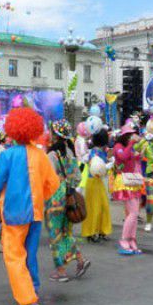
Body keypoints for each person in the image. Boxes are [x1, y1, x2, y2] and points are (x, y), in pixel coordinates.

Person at [0, 107, 60, 305]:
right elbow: (53, 184)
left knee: (14, 255)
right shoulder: (40, 155)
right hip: (35, 213)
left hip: (14, 212)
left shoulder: (7, 156)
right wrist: (40, 196)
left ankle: (27, 299)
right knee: (30, 254)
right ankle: (33, 289)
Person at [45, 120, 90, 281]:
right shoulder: (70, 152)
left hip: (55, 198)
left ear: (55, 135)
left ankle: (61, 271)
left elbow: (48, 179)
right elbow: (77, 177)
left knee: (55, 235)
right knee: (65, 233)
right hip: (70, 198)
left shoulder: (51, 155)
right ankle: (80, 260)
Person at [112, 121, 144, 255]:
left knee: (134, 213)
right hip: (124, 181)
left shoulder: (128, 146)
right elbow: (123, 157)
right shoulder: (118, 146)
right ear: (124, 136)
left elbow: (132, 158)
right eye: (129, 135)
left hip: (132, 180)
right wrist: (131, 144)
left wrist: (139, 153)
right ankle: (124, 239)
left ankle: (132, 239)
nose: (132, 137)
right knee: (133, 213)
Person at [80, 129, 114, 242]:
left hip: (97, 182)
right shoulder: (95, 152)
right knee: (95, 208)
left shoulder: (97, 151)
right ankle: (92, 232)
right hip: (94, 182)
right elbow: (98, 166)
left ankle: (100, 230)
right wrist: (110, 164)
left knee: (102, 206)